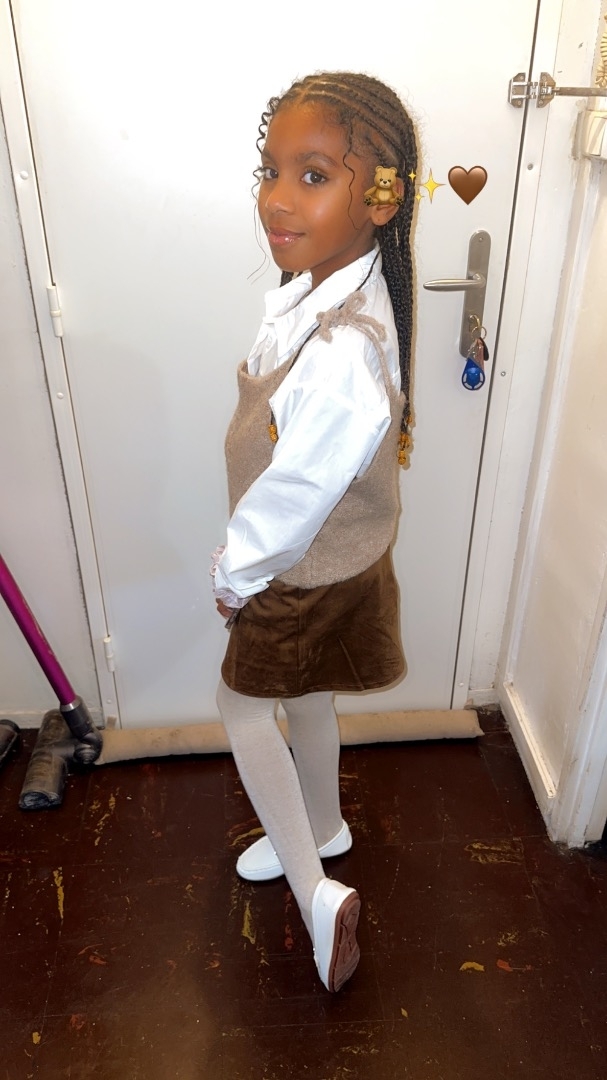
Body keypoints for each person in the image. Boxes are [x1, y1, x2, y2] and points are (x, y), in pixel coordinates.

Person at [211, 71, 417, 993]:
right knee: (309, 695)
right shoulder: (320, 292)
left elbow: (294, 492)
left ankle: (313, 890)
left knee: (242, 706)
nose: (277, 198)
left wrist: (234, 573)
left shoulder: (342, 349)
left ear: (380, 200)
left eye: (314, 175)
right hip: (338, 561)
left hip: (293, 569)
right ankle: (325, 825)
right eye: (271, 170)